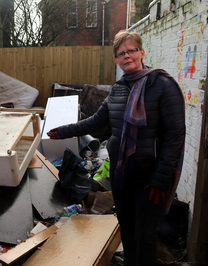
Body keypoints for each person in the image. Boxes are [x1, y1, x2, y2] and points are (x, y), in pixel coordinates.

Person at [47, 30, 185, 266]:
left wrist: (161, 179)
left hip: (150, 179)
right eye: (121, 53)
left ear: (142, 52)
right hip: (121, 176)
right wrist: (64, 131)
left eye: (132, 50)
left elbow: (175, 136)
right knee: (128, 230)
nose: (127, 56)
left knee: (145, 235)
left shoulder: (163, 86)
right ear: (116, 59)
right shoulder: (118, 90)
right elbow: (96, 121)